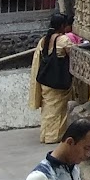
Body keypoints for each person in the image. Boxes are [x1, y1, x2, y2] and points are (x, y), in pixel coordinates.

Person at [29, 12, 77, 143]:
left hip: (45, 79)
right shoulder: (63, 40)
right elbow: (73, 53)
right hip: (57, 81)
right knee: (57, 111)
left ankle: (45, 135)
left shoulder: (44, 40)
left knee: (48, 109)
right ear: (62, 26)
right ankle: (52, 136)